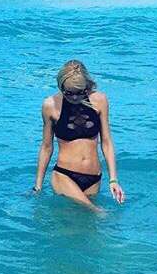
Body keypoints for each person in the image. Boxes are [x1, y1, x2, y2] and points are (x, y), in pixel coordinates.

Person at [32, 60, 125, 213]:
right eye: (69, 93)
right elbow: (47, 148)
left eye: (79, 92)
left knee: (84, 224)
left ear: (87, 86)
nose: (75, 97)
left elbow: (106, 142)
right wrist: (38, 186)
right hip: (64, 175)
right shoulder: (50, 105)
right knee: (97, 212)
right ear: (61, 86)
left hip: (94, 178)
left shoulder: (100, 100)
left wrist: (113, 180)